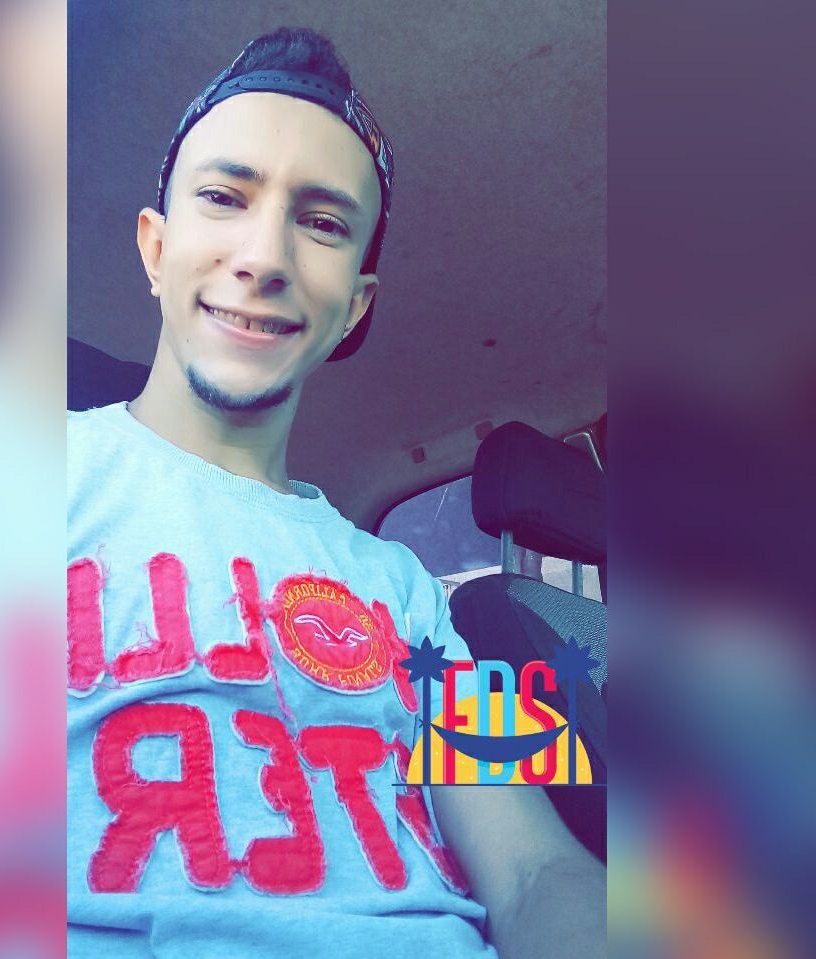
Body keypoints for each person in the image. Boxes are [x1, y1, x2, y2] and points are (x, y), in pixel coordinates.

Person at [67, 26, 604, 958]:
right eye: (224, 197)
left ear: (354, 303)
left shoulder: (415, 593)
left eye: (321, 223)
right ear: (156, 248)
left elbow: (535, 868)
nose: (264, 255)